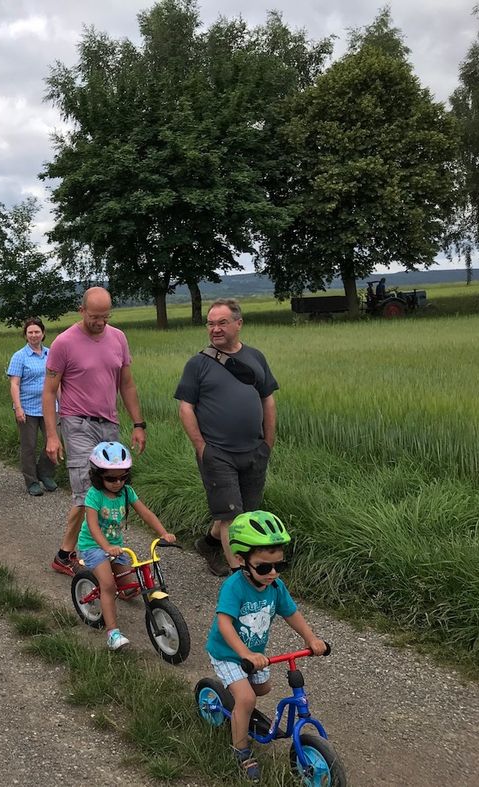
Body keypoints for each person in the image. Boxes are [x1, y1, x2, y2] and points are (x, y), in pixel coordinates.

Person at [205, 511, 325, 783]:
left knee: (263, 689)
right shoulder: (234, 587)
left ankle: (238, 706)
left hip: (254, 656)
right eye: (264, 567)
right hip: (228, 653)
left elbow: (291, 613)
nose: (272, 573)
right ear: (240, 560)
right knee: (247, 698)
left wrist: (311, 638)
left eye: (278, 566)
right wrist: (244, 653)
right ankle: (241, 750)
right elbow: (224, 623)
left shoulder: (275, 586)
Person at [43, 287, 148, 576]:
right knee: (87, 491)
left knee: (108, 490)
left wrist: (138, 424)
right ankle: (96, 556)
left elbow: (126, 384)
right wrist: (52, 435)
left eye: (105, 316)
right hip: (76, 423)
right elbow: (49, 390)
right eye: (93, 317)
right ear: (82, 311)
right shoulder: (64, 343)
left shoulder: (118, 338)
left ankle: (69, 553)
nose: (100, 322)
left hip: (109, 424)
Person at [174, 298, 278, 576]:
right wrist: (201, 447)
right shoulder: (198, 364)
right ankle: (239, 573)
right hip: (217, 452)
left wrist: (268, 442)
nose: (215, 329)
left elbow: (268, 399)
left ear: (238, 324)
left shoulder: (255, 357)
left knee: (243, 512)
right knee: (231, 515)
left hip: (254, 449)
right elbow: (186, 407)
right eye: (210, 324)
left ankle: (208, 544)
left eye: (222, 323)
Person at [78, 442, 175, 651]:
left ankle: (117, 592)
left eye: (123, 477)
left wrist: (163, 532)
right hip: (93, 545)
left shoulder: (127, 492)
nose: (117, 482)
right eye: (111, 478)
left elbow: (145, 513)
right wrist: (106, 547)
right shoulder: (94, 495)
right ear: (98, 476)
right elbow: (93, 527)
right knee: (109, 585)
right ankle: (112, 633)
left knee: (130, 586)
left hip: (116, 547)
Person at [6, 317, 57, 496]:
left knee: (54, 441)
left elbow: (58, 381)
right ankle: (31, 481)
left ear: (43, 334)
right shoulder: (20, 356)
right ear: (25, 335)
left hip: (50, 407)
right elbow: (15, 384)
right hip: (27, 407)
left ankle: (45, 472)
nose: (34, 335)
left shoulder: (51, 354)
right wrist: (18, 407)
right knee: (29, 445)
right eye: (30, 332)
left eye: (37, 332)